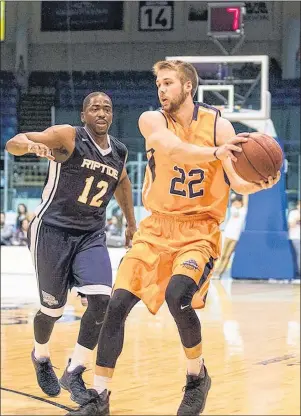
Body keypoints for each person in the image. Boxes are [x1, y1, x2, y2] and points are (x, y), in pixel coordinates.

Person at [66, 61, 281, 416]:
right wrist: (214, 153)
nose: (161, 90)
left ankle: (197, 377)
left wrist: (259, 183)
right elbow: (170, 148)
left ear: (188, 87)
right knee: (115, 305)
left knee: (177, 295)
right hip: (156, 228)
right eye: (158, 83)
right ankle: (99, 396)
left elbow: (236, 179)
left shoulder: (219, 126)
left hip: (199, 230)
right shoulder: (152, 120)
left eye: (168, 83)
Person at [5, 92, 136, 405]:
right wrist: (29, 146)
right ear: (83, 115)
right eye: (95, 108)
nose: (101, 112)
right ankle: (40, 355)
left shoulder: (118, 151)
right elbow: (15, 143)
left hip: (90, 233)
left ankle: (75, 369)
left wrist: (131, 223)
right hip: (52, 231)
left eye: (107, 108)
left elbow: (123, 183)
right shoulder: (67, 136)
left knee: (103, 300)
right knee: (52, 310)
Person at [214, 195, 247, 278]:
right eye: (235, 203)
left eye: (238, 203)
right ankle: (215, 271)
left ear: (241, 203)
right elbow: (230, 200)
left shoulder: (243, 211)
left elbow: (245, 201)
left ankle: (219, 273)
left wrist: (246, 192)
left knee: (228, 255)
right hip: (228, 234)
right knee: (222, 254)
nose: (236, 204)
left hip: (235, 237)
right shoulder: (232, 209)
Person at [288, 200, 300, 277]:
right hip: (296, 237)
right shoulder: (293, 213)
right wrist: (297, 219)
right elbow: (291, 225)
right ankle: (298, 272)